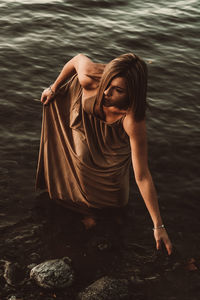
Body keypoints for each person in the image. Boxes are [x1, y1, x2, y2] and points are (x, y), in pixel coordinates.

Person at [36, 53, 172, 255]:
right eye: (107, 84)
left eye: (118, 90)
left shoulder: (133, 120)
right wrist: (53, 88)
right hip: (84, 119)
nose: (107, 93)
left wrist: (158, 226)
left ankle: (103, 216)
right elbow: (77, 59)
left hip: (114, 141)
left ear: (132, 93)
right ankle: (85, 210)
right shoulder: (89, 79)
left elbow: (142, 175)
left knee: (118, 198)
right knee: (82, 161)